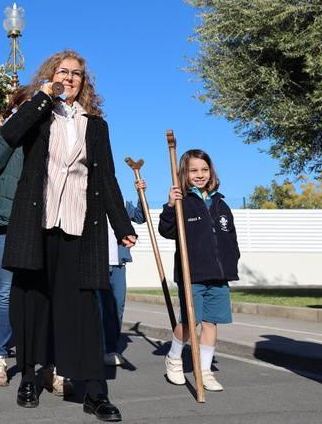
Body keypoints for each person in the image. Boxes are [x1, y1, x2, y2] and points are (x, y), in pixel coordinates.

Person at [0, 50, 136, 422]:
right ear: (51, 74)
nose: (71, 78)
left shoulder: (96, 125)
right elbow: (9, 135)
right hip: (37, 225)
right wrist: (43, 97)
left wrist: (123, 227)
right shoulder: (37, 113)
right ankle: (28, 377)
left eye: (77, 73)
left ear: (84, 81)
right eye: (64, 71)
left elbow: (106, 179)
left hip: (80, 227)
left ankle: (94, 391)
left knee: (83, 310)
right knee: (31, 303)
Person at [159, 149, 239, 393]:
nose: (200, 174)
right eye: (194, 170)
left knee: (210, 323)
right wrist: (171, 206)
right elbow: (167, 231)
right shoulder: (183, 202)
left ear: (211, 172)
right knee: (189, 321)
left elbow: (230, 239)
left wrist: (231, 263)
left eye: (204, 169)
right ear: (184, 173)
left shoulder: (220, 203)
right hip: (191, 273)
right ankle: (174, 358)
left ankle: (204, 370)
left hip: (219, 275)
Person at [0, 85, 34, 386]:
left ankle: (40, 355)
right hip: (4, 223)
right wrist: (13, 129)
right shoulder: (0, 134)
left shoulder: (43, 137)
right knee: (6, 290)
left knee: (39, 290)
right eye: (27, 106)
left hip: (37, 222)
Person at [100, 189, 147, 367]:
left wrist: (140, 194)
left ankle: (111, 348)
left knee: (117, 306)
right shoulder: (89, 201)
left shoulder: (122, 205)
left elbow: (140, 217)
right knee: (99, 308)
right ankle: (98, 347)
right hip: (97, 263)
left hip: (118, 264)